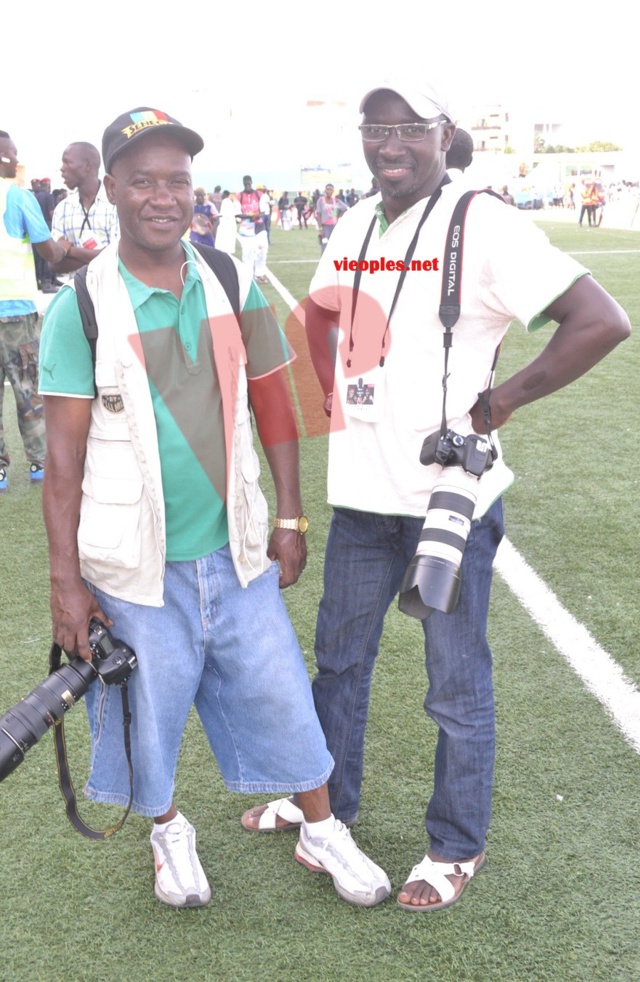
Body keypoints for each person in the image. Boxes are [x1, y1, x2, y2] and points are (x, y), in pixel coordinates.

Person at [241, 78, 631, 912]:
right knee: (339, 667)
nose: (391, 145)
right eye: (376, 129)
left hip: (447, 499)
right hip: (360, 499)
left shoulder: (480, 221)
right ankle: (324, 808)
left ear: (442, 133)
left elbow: (600, 318)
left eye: (410, 129)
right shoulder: (352, 222)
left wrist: (500, 404)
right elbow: (317, 318)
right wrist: (337, 389)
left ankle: (456, 845)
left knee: (453, 683)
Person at [38, 106, 390, 911]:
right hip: (131, 564)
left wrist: (291, 516)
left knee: (283, 700)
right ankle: (168, 830)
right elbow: (60, 466)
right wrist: (66, 585)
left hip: (235, 551)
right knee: (143, 719)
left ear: (195, 191)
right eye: (143, 181)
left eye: (178, 181)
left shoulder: (228, 278)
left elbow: (275, 405)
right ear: (113, 190)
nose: (163, 197)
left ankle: (320, 827)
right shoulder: (81, 309)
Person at [0, 130, 68, 491]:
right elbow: (51, 254)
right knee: (28, 387)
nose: (16, 159)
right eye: (13, 154)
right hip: (16, 312)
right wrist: (65, 245)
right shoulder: (18, 197)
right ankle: (39, 463)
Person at [50, 142, 118, 274]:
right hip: (77, 291)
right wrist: (101, 255)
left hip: (111, 291)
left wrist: (68, 250)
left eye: (67, 162)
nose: (62, 169)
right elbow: (53, 264)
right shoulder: (62, 209)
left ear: (87, 166)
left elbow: (118, 258)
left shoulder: (115, 205)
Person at [236, 175, 268, 284]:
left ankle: (259, 273)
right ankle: (247, 276)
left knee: (262, 251)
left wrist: (257, 216)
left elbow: (264, 212)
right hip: (246, 229)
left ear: (251, 182)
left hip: (259, 228)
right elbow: (238, 214)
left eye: (249, 182)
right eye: (245, 183)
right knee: (247, 254)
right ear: (243, 183)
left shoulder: (259, 195)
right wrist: (251, 217)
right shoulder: (239, 196)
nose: (247, 184)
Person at [315, 183, 346, 253]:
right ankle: (324, 261)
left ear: (333, 191)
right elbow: (318, 215)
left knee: (335, 244)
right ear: (325, 190)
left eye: (330, 190)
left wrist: (338, 216)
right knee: (324, 244)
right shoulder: (321, 200)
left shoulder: (336, 201)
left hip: (334, 225)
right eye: (327, 189)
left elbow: (345, 208)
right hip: (325, 226)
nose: (328, 191)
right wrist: (320, 229)